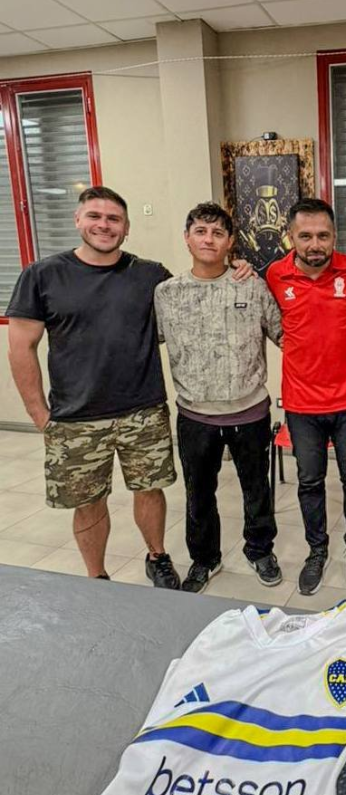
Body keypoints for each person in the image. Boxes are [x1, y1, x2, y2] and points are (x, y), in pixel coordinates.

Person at [5, 185, 252, 587]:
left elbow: (196, 291)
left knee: (150, 490)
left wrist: (239, 267)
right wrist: (38, 414)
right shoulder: (43, 275)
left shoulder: (149, 275)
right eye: (95, 216)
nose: (104, 225)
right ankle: (97, 576)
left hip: (144, 410)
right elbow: (21, 347)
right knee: (88, 501)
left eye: (113, 219)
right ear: (78, 220)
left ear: (127, 227)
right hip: (76, 417)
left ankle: (157, 556)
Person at [154, 202, 283, 594]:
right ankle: (205, 558)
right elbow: (145, 344)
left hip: (249, 410)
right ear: (187, 238)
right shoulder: (167, 294)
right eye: (200, 231)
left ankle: (260, 550)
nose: (208, 239)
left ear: (230, 242)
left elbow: (285, 335)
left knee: (256, 489)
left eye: (217, 233)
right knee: (199, 494)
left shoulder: (251, 286)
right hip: (195, 415)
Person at [266, 198, 346, 596]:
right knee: (310, 481)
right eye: (306, 236)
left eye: (323, 236)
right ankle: (317, 550)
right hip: (301, 402)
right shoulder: (275, 274)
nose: (315, 244)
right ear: (291, 237)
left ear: (335, 237)